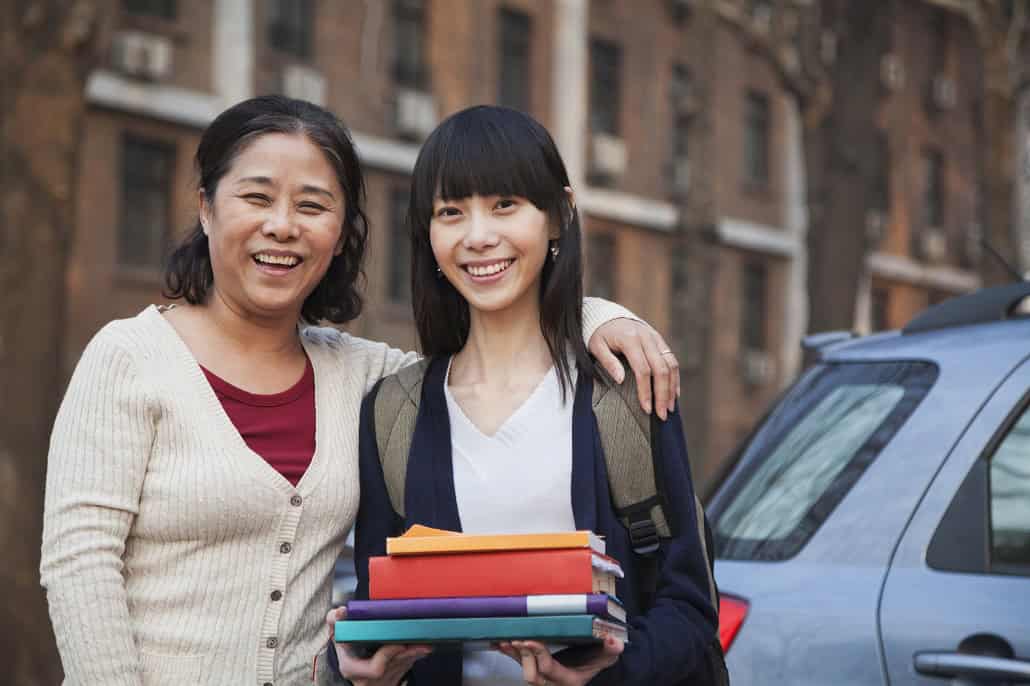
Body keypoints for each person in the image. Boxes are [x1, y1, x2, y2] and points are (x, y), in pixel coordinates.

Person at [39, 96, 680, 686]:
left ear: (344, 231)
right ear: (207, 207)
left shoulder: (366, 378)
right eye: (256, 198)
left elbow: (496, 346)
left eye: (313, 206)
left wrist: (597, 315)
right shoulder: (130, 358)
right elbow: (79, 569)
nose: (283, 226)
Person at [330, 106, 718, 686]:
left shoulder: (626, 388)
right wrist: (368, 667)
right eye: (450, 212)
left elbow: (690, 608)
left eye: (504, 205)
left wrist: (608, 673)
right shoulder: (392, 413)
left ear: (558, 215)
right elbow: (384, 604)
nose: (479, 236)